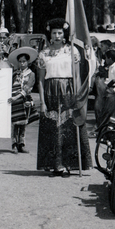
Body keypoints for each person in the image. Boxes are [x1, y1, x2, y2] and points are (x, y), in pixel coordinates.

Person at [36, 18, 92, 177]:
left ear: (64, 34)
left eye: (60, 32)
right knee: (52, 129)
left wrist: (78, 96)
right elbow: (40, 80)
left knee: (68, 128)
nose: (57, 35)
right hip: (50, 92)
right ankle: (54, 165)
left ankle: (68, 164)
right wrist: (42, 102)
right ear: (50, 35)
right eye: (54, 33)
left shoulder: (72, 51)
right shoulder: (43, 54)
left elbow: (76, 76)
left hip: (68, 91)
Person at [8, 47, 37, 153]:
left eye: (24, 61)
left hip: (25, 99)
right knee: (15, 123)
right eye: (20, 62)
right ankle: (14, 143)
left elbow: (28, 87)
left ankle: (22, 143)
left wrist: (17, 96)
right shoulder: (15, 74)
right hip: (15, 100)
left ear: (28, 62)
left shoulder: (31, 74)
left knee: (23, 123)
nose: (22, 64)